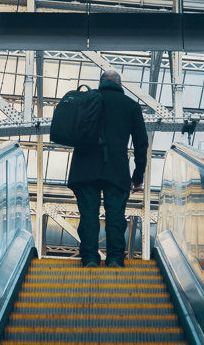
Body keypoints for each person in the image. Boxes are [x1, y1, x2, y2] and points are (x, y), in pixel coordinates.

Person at [67, 70, 149, 268]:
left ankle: (89, 259)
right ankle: (114, 259)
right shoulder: (130, 106)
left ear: (100, 83)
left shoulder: (86, 100)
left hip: (84, 167)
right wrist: (138, 175)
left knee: (88, 214)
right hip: (116, 168)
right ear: (120, 86)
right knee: (115, 216)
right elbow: (141, 143)